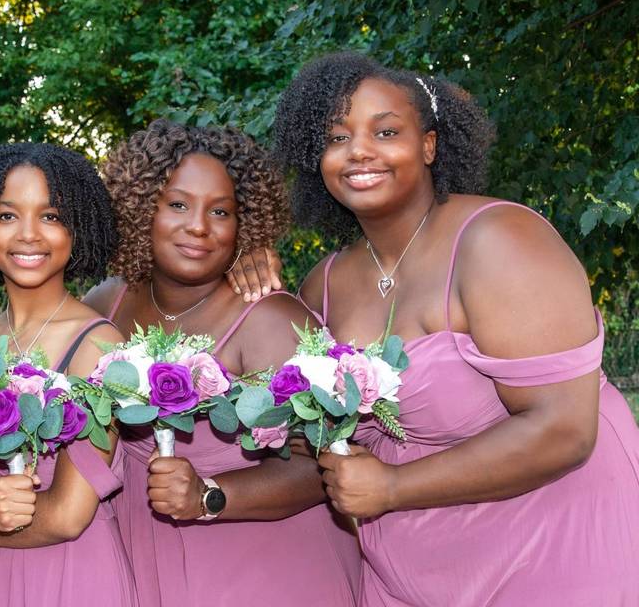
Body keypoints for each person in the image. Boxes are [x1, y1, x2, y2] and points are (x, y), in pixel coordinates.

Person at [269, 51, 639, 605]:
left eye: (386, 131)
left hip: (551, 549)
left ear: (429, 145)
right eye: (335, 138)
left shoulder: (498, 240)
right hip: (410, 573)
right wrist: (239, 265)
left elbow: (564, 429)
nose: (359, 152)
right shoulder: (323, 284)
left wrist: (392, 488)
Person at [85, 119, 361, 607]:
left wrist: (209, 494)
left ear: (244, 224)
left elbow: (324, 465)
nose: (198, 226)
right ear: (140, 209)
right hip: (140, 563)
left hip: (267, 575)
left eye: (221, 211)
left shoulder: (272, 320)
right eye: (177, 204)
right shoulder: (105, 304)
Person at [0, 143, 138, 607]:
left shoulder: (99, 344)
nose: (29, 235)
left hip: (73, 577)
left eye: (50, 216)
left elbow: (68, 516)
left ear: (76, 232)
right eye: (7, 216)